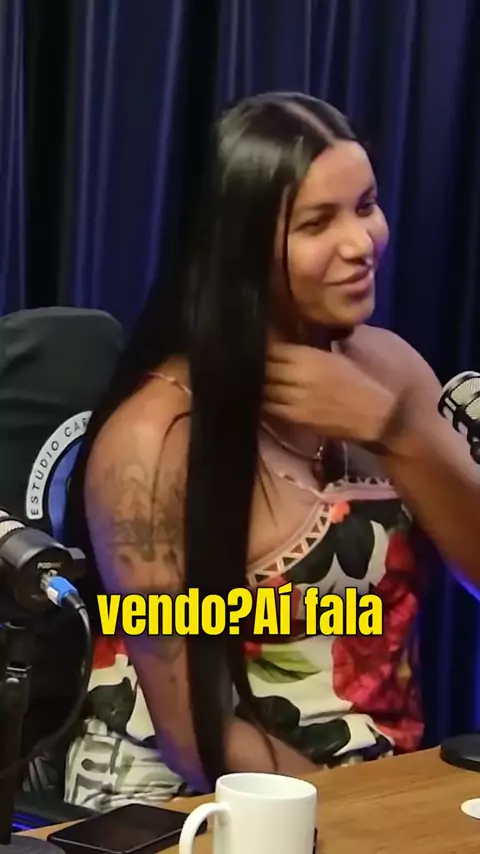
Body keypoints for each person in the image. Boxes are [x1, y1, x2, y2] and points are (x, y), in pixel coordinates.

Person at [63, 92, 480, 811]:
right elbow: (192, 735)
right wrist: (352, 820)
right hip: (187, 800)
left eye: (366, 205)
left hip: (373, 782)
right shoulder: (154, 440)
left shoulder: (393, 370)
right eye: (318, 223)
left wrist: (400, 432)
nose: (362, 242)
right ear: (241, 248)